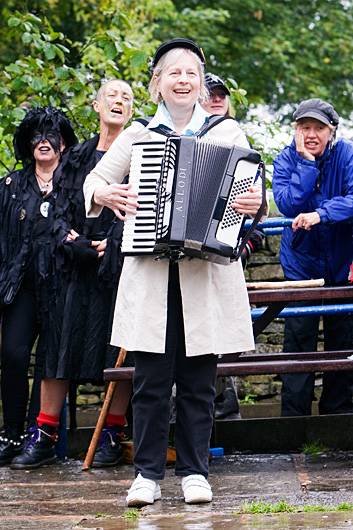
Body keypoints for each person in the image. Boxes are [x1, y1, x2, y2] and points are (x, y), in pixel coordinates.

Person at [83, 38, 263, 506]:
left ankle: (194, 472)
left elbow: (252, 194)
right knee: (150, 379)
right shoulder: (138, 134)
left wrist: (253, 203)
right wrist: (105, 196)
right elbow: (95, 179)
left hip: (205, 274)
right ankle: (146, 474)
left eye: (192, 74)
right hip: (151, 272)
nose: (183, 80)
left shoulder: (228, 134)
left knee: (200, 379)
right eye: (174, 73)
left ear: (201, 85)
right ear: (157, 83)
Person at [10, 80, 134, 470]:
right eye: (112, 96)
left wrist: (111, 242)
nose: (119, 101)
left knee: (119, 349)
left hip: (121, 265)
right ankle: (44, 435)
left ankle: (111, 434)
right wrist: (72, 239)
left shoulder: (141, 153)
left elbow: (144, 203)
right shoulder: (75, 156)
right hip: (73, 266)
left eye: (127, 97)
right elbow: (58, 205)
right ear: (96, 104)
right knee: (57, 345)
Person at [0, 107, 78, 466]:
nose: (43, 142)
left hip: (63, 286)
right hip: (22, 287)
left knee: (50, 361)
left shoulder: (75, 184)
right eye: (36, 135)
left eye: (51, 135)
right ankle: (11, 433)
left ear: (63, 142)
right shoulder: (11, 187)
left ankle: (38, 436)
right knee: (13, 355)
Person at [272, 98, 353, 417]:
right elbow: (288, 204)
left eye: (318, 128)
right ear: (295, 131)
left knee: (342, 340)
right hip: (301, 266)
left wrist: (321, 214)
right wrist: (305, 164)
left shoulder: (346, 154)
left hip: (340, 262)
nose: (311, 134)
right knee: (298, 339)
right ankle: (294, 420)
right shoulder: (286, 159)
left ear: (331, 131)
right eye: (304, 127)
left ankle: (337, 415)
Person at [202, 72, 265, 420]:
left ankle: (226, 412)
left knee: (223, 337)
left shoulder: (239, 141)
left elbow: (258, 216)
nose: (215, 100)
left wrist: (241, 245)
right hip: (187, 261)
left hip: (225, 257)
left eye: (220, 95)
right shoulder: (182, 134)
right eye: (208, 94)